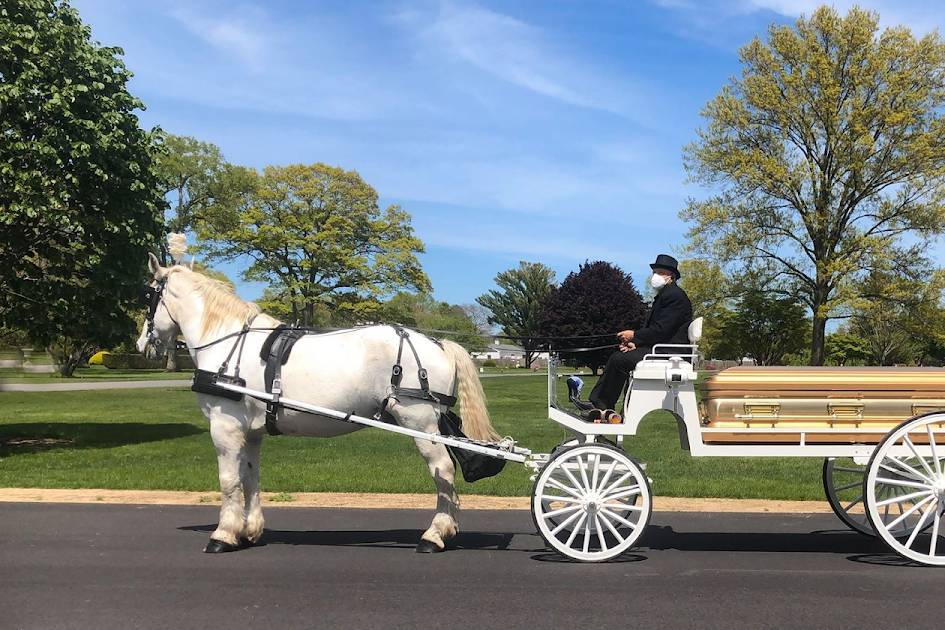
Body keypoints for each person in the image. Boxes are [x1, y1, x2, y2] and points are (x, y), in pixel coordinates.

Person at [587, 254, 692, 421]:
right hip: (662, 348)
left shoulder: (675, 296)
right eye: (654, 272)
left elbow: (661, 330)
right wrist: (636, 345)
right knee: (620, 357)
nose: (655, 276)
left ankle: (601, 404)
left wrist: (634, 336)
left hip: (671, 352)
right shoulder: (665, 295)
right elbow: (657, 331)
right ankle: (604, 405)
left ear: (670, 276)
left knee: (619, 360)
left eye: (659, 272)